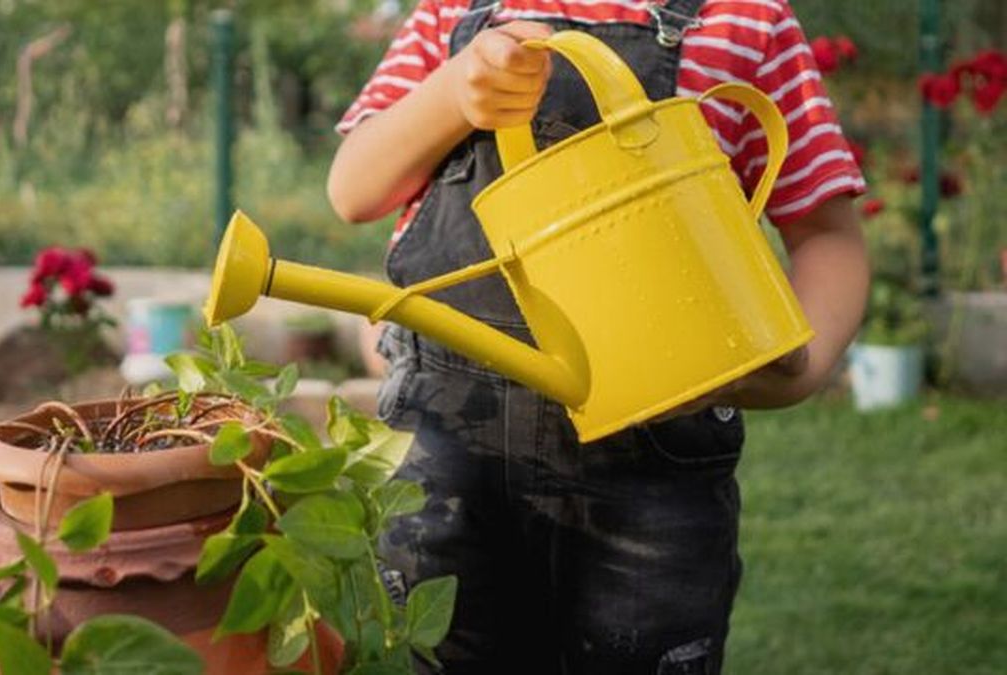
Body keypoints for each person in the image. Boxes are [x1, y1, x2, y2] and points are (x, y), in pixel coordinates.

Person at [328, 1, 869, 673]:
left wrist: (803, 366)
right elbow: (354, 189)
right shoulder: (458, 11)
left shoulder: (747, 20)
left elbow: (827, 233)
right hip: (446, 457)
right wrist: (452, 93)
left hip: (653, 466)